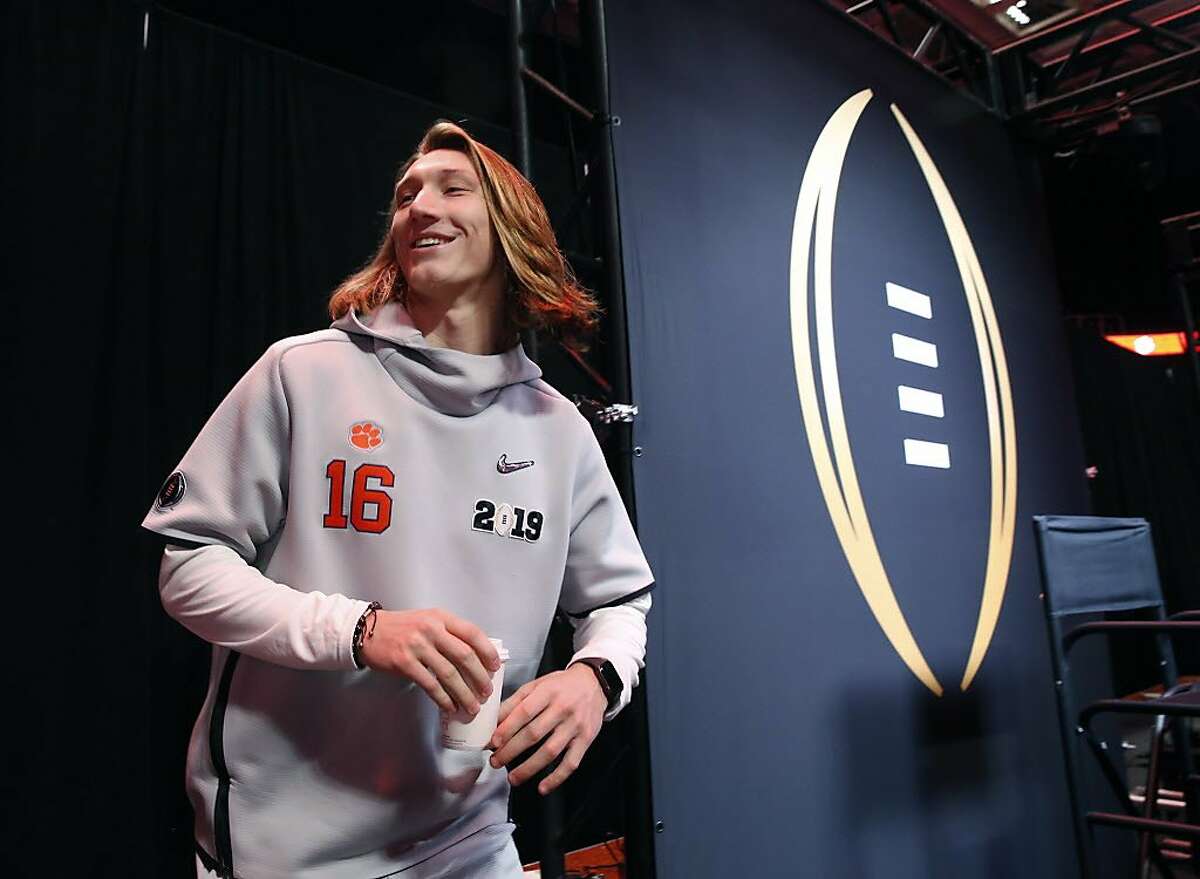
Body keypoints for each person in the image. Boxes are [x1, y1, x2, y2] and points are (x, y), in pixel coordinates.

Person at [143, 120, 654, 879]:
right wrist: (360, 630)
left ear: (514, 229)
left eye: (453, 188)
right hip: (282, 851)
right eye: (405, 194)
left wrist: (595, 679)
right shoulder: (302, 374)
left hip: (468, 839)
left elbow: (619, 600)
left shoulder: (559, 430)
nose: (418, 205)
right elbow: (187, 568)